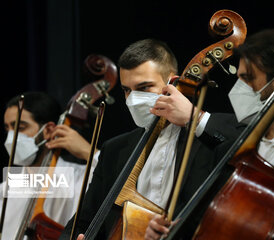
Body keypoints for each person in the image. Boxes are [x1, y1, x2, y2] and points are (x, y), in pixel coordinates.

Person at [145, 29, 274, 240]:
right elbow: (213, 225)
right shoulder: (235, 151)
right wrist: (169, 232)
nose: (240, 87)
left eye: (248, 78)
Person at [59, 38, 240, 240]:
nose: (133, 99)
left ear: (173, 82)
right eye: (127, 90)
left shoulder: (209, 136)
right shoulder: (114, 149)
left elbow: (245, 149)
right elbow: (80, 223)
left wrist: (195, 118)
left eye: (144, 88)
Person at [1, 91, 99, 239]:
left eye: (20, 128)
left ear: (47, 130)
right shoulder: (5, 188)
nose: (11, 137)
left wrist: (90, 152)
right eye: (8, 129)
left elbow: (119, 181)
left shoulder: (80, 177)